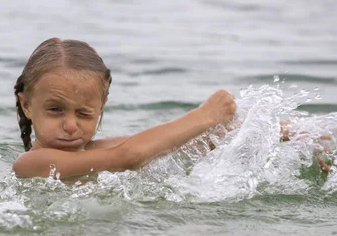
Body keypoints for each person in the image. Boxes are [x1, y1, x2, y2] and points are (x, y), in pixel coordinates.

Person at [13, 37, 236, 179]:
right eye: (55, 110)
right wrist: (205, 115)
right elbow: (129, 155)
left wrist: (229, 133)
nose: (71, 125)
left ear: (101, 108)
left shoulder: (98, 150)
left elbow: (167, 148)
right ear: (27, 106)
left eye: (83, 113)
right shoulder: (31, 163)